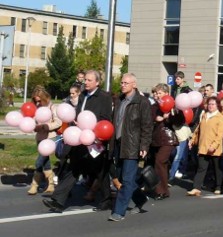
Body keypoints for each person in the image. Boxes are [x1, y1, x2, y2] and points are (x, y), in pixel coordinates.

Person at [44, 70, 112, 213]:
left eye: (89, 80)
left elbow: (106, 118)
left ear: (97, 82)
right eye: (85, 80)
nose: (86, 82)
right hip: (80, 139)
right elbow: (79, 114)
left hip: (95, 140)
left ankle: (107, 199)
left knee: (100, 171)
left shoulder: (104, 97)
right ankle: (58, 201)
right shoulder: (82, 96)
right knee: (74, 169)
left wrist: (95, 132)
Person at [108, 73, 153, 222]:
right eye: (121, 83)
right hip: (119, 144)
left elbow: (147, 126)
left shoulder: (142, 102)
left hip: (133, 145)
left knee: (127, 180)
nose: (122, 85)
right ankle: (140, 200)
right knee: (122, 177)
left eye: (126, 83)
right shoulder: (119, 100)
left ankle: (119, 212)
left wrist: (144, 145)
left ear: (134, 85)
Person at [150, 83, 183, 200]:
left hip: (168, 139)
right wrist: (160, 118)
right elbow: (153, 118)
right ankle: (163, 190)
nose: (158, 95)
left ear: (166, 94)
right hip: (156, 139)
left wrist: (173, 114)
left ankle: (161, 190)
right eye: (156, 93)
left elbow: (179, 122)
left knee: (160, 161)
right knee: (161, 165)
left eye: (160, 93)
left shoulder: (173, 106)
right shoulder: (154, 106)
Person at [188, 96, 223, 196]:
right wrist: (192, 140)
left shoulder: (221, 118)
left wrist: (214, 145)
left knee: (216, 168)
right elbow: (198, 130)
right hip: (203, 146)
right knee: (201, 168)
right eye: (209, 104)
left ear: (217, 105)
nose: (210, 106)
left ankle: (218, 186)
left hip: (215, 148)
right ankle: (196, 188)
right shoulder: (204, 115)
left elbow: (219, 135)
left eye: (213, 104)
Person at [28, 86, 61, 195]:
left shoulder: (52, 107)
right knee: (45, 162)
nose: (37, 103)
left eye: (39, 100)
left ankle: (34, 184)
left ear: (44, 98)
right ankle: (51, 184)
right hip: (40, 138)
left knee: (39, 162)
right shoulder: (36, 109)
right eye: (35, 101)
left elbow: (58, 122)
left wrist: (46, 126)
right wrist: (33, 126)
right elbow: (33, 121)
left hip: (50, 138)